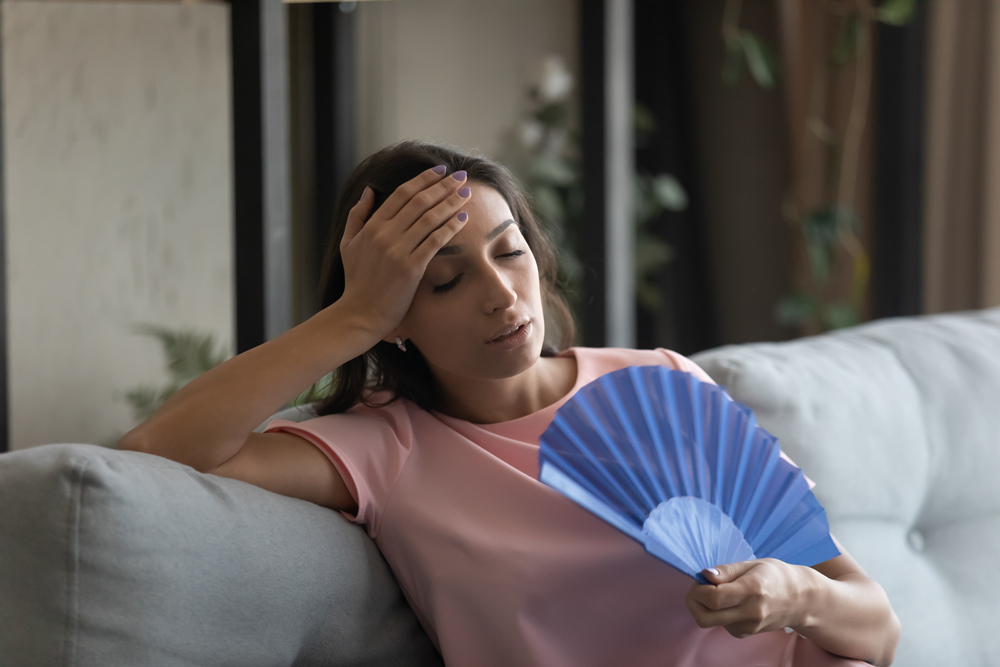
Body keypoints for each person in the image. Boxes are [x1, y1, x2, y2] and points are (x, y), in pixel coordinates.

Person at [120, 141, 900, 667]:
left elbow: (877, 624)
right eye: (444, 281)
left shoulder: (660, 381)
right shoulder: (387, 451)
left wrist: (789, 591)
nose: (501, 295)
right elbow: (159, 449)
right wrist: (351, 317)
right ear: (393, 320)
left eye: (510, 251)